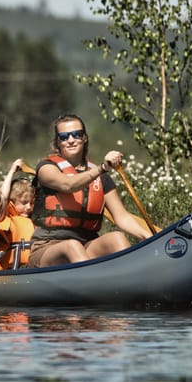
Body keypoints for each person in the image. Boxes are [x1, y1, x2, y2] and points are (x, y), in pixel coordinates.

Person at [28, 113, 153, 268]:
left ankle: (129, 280)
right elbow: (68, 185)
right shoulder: (46, 168)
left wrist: (149, 237)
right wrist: (102, 168)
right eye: (64, 137)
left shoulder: (101, 178)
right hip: (47, 247)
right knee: (72, 246)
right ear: (57, 142)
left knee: (117, 238)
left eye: (77, 134)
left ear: (85, 138)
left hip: (87, 245)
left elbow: (122, 217)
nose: (71, 140)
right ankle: (96, 285)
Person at [0, 159, 35, 269]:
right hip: (12, 270)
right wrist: (12, 171)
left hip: (34, 267)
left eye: (31, 203)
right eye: (24, 203)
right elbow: (2, 197)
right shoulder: (6, 216)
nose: (28, 207)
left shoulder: (36, 217)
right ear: (12, 202)